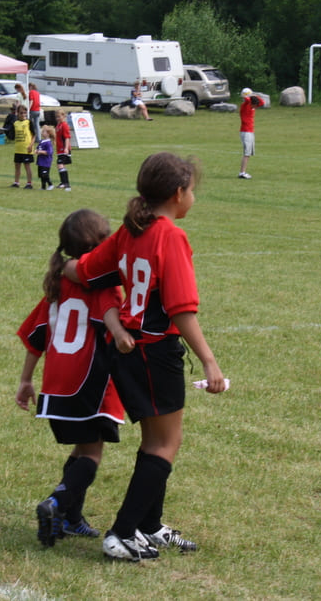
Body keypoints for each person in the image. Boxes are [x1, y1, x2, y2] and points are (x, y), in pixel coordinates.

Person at [64, 151, 228, 562]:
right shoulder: (169, 235)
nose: (193, 198)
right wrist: (209, 361)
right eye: (192, 191)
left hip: (128, 353)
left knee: (155, 441)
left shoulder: (129, 230)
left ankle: (147, 525)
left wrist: (60, 266)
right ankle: (121, 532)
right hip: (155, 353)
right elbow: (181, 309)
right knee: (166, 443)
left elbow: (85, 271)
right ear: (177, 193)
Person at [16, 208, 135, 547]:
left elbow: (35, 336)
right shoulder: (103, 289)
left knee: (83, 448)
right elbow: (115, 330)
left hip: (56, 386)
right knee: (92, 455)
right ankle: (56, 502)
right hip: (90, 384)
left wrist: (26, 381)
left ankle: (71, 518)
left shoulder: (57, 285)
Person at [238, 87, 264, 179]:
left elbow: (262, 103)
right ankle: (242, 172)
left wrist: (254, 95)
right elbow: (246, 99)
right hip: (246, 131)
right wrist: (249, 96)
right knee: (247, 153)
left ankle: (243, 171)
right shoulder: (245, 105)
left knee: (248, 153)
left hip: (250, 131)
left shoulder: (251, 107)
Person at [9, 104, 35, 189]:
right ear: (17, 113)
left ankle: (29, 183)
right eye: (21, 113)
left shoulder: (28, 122)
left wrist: (31, 145)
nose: (23, 115)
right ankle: (16, 182)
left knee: (27, 166)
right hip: (18, 148)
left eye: (25, 113)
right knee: (17, 165)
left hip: (26, 148)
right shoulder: (15, 123)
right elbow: (12, 135)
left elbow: (34, 135)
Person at [54, 109, 72, 191]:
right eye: (57, 117)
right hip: (59, 149)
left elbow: (67, 137)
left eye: (59, 117)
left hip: (64, 148)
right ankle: (62, 182)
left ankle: (66, 184)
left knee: (60, 164)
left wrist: (66, 148)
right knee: (61, 165)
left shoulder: (64, 125)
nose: (58, 118)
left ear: (64, 116)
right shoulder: (58, 125)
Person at [36, 125, 55, 190]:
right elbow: (38, 148)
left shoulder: (48, 143)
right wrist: (36, 151)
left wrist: (40, 152)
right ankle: (43, 187)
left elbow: (49, 152)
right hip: (40, 161)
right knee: (41, 175)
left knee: (45, 174)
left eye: (44, 132)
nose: (42, 133)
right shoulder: (41, 141)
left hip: (46, 162)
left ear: (48, 133)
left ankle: (50, 184)